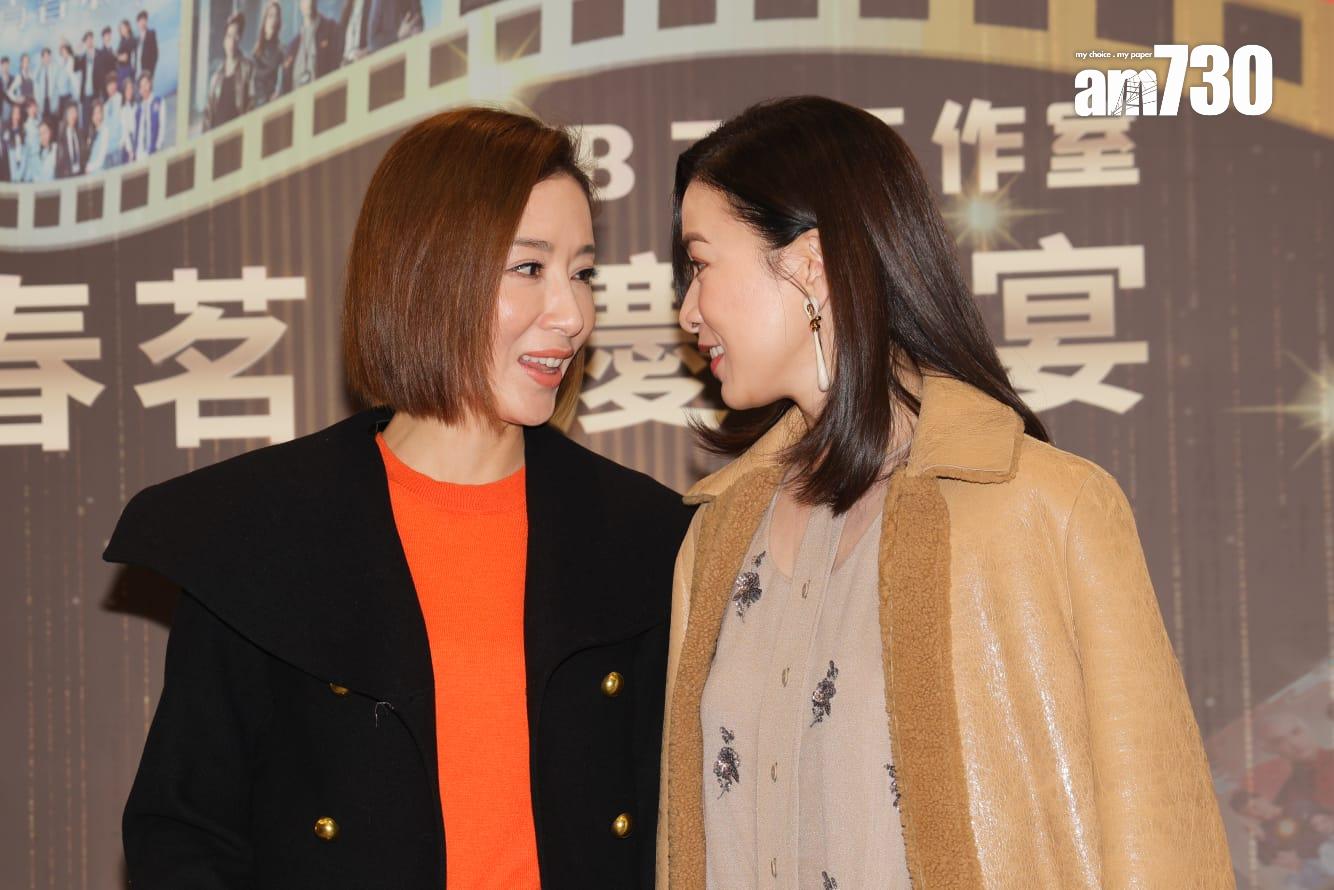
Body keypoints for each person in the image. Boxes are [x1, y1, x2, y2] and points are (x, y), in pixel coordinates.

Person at [104, 106, 692, 889]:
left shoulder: (641, 537)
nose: (572, 314)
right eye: (530, 269)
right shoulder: (260, 532)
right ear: (426, 272)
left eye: (582, 273)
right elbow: (185, 835)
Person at [656, 95, 1233, 889]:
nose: (688, 310)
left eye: (700, 264)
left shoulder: (1046, 509)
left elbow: (1161, 846)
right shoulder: (717, 540)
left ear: (808, 264)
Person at [204, 12, 253, 130]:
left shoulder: (248, 68)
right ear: (224, 40)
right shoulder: (216, 76)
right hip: (216, 136)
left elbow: (252, 105)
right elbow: (208, 115)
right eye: (229, 36)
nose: (232, 41)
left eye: (236, 36)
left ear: (240, 39)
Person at [283, 0, 339, 90]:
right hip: (297, 96)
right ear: (300, 5)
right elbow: (286, 82)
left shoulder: (330, 29)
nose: (309, 3)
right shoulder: (293, 46)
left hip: (323, 93)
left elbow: (335, 65)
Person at [250, 1, 286, 107]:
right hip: (257, 103)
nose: (273, 20)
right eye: (270, 16)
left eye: (276, 16)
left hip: (273, 102)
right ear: (265, 19)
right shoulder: (256, 51)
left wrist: (278, 93)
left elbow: (283, 80)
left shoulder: (281, 50)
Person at [127, 70, 165, 160]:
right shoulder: (138, 108)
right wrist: (134, 151)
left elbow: (162, 126)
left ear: (150, 84)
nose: (144, 88)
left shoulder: (158, 102)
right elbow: (135, 131)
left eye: (146, 84)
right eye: (141, 86)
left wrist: (157, 147)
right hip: (140, 153)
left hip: (153, 151)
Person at [55, 100, 83, 177]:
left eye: (75, 112)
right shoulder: (61, 136)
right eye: (71, 113)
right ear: (66, 115)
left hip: (80, 175)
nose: (73, 116)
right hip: (67, 176)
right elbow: (59, 161)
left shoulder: (80, 134)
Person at [135, 10, 158, 80]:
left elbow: (155, 54)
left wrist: (151, 72)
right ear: (137, 23)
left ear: (146, 21)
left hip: (148, 72)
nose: (142, 23)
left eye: (144, 20)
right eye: (140, 21)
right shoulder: (137, 39)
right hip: (138, 72)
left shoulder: (151, 34)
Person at [115, 19, 137, 90]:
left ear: (128, 27)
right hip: (120, 70)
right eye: (120, 28)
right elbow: (118, 55)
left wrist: (116, 56)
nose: (122, 30)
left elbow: (125, 58)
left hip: (128, 70)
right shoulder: (122, 41)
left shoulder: (132, 40)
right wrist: (118, 56)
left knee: (128, 89)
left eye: (123, 28)